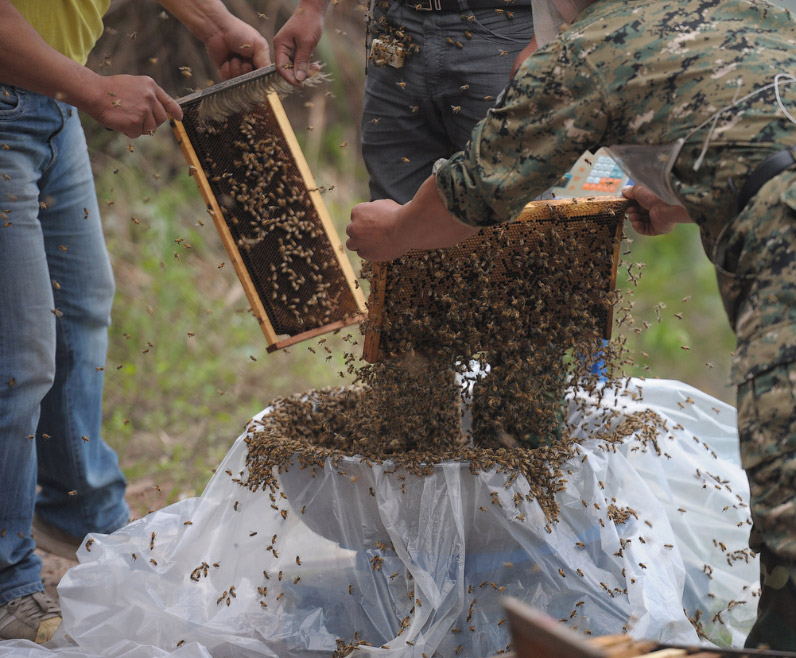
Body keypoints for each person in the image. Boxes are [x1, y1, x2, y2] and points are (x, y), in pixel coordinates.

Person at [345, 0, 796, 656]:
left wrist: (392, 232)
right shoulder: (749, 14)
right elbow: (787, 104)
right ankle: (786, 645)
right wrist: (679, 201)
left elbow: (478, 189)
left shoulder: (588, 47)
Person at [0, 0, 268, 643]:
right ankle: (8, 579)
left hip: (47, 104)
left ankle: (77, 506)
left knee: (81, 308)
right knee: (18, 359)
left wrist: (214, 23)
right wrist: (93, 88)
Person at [272, 0, 534, 204]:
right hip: (394, 25)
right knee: (392, 216)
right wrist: (311, 8)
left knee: (508, 218)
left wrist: (548, 37)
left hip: (503, 27)